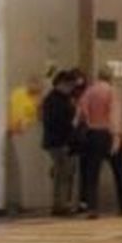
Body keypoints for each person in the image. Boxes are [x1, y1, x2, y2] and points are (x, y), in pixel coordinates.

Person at [77, 67, 122, 217]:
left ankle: (92, 207)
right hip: (108, 132)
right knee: (119, 171)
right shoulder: (112, 91)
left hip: (93, 134)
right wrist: (116, 135)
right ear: (110, 77)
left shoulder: (89, 91)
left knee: (92, 173)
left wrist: (87, 124)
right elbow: (114, 113)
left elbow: (81, 112)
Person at [40, 70, 80, 215]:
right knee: (64, 173)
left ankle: (59, 204)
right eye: (69, 85)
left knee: (61, 173)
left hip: (57, 141)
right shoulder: (55, 100)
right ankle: (61, 205)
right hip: (60, 142)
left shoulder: (57, 98)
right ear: (62, 84)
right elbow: (58, 121)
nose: (71, 88)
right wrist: (73, 122)